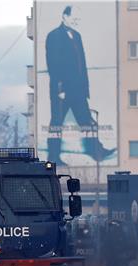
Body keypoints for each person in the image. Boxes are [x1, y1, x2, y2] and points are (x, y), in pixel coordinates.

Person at [45, 5, 115, 165]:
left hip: (78, 90)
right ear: (64, 16)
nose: (76, 21)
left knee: (87, 121)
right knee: (56, 123)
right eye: (73, 18)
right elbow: (53, 64)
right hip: (61, 91)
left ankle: (97, 152)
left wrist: (85, 88)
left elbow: (81, 65)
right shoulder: (54, 36)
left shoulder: (76, 35)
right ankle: (53, 157)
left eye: (78, 19)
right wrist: (60, 88)